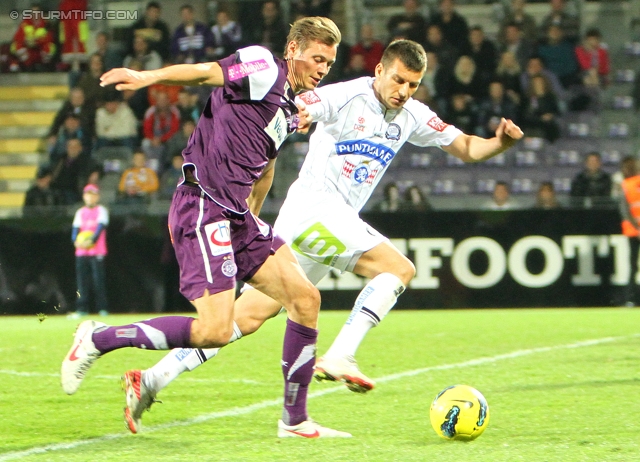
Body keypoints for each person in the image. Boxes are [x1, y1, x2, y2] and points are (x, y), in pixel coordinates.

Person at [119, 39, 523, 433]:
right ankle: (340, 356)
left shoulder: (414, 115)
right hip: (317, 210)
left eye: (412, 85)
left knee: (244, 319)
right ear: (379, 70)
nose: (403, 91)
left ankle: (151, 379)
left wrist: (499, 143)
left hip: (322, 222)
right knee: (397, 269)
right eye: (398, 80)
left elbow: (468, 147)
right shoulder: (347, 96)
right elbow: (305, 104)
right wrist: (301, 115)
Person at [61, 16, 347, 439]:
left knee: (305, 298)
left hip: (238, 216)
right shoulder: (263, 65)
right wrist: (147, 76)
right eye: (317, 58)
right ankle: (99, 338)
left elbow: (264, 165)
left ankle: (295, 420)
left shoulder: (291, 107)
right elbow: (204, 73)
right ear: (293, 50)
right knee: (214, 330)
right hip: (203, 205)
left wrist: (254, 216)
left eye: (329, 62)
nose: (322, 69)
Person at [68, 184, 109, 319]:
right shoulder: (80, 212)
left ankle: (102, 308)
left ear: (97, 196)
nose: (90, 197)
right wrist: (77, 242)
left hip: (97, 252)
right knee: (82, 282)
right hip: (81, 253)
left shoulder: (101, 211)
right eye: (88, 194)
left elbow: (99, 229)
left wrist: (90, 241)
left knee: (98, 281)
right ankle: (81, 309)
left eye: (93, 194)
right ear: (84, 196)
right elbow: (75, 230)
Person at [619, 159, 640, 306]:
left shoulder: (626, 186)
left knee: (632, 265)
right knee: (633, 265)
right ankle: (630, 297)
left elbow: (625, 211)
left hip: (634, 231)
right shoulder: (626, 186)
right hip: (634, 231)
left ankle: (630, 298)